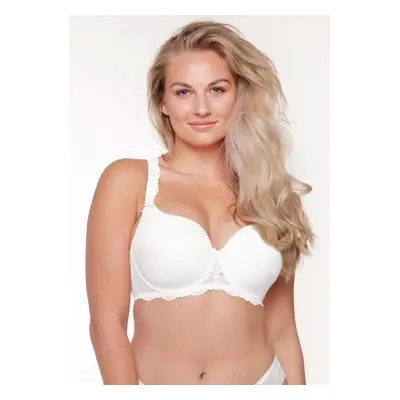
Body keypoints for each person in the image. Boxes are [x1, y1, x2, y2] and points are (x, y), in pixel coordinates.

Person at [85, 19, 315, 385]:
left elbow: (283, 327)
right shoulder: (129, 182)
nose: (202, 108)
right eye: (183, 92)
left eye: (217, 89)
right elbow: (106, 324)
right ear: (162, 102)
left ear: (239, 94)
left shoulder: (271, 193)